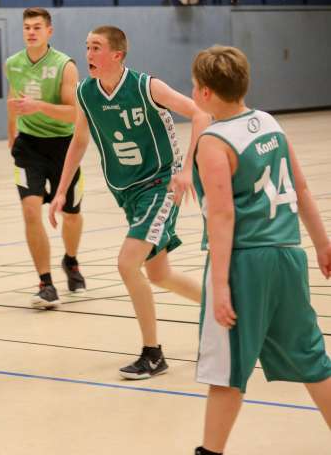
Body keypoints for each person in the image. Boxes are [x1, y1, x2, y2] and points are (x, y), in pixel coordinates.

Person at [189, 46, 331, 455]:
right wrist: (322, 243)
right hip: (288, 254)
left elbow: (222, 216)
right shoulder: (268, 122)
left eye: (195, 85)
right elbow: (301, 187)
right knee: (313, 361)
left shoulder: (214, 141)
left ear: (205, 92)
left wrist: (220, 285)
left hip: (245, 262)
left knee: (227, 372)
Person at [49, 25, 208, 379]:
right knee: (159, 273)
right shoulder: (86, 92)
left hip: (160, 183)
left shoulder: (146, 86)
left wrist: (188, 170)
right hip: (127, 192)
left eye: (96, 48)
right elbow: (79, 140)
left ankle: (153, 354)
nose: (88, 54)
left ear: (117, 55)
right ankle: (229, 310)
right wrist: (60, 191)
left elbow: (200, 113)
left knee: (126, 263)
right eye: (87, 47)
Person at [6, 8, 85, 307]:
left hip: (64, 147)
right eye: (27, 27)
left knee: (71, 215)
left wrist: (39, 106)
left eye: (37, 27)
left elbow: (73, 113)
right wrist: (12, 133)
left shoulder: (65, 66)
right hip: (29, 147)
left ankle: (71, 261)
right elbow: (13, 100)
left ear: (49, 31)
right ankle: (46, 283)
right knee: (30, 211)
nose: (31, 32)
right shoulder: (13, 63)